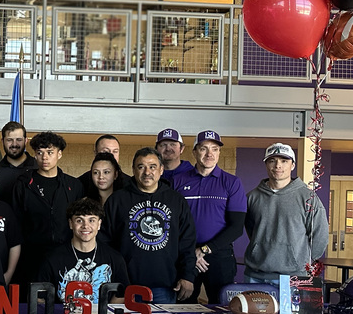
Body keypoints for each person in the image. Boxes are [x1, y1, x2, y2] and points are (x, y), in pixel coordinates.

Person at [103, 147, 196, 304]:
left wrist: (188, 275)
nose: (147, 172)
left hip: (165, 287)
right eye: (141, 167)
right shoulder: (117, 200)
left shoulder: (176, 200)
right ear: (133, 170)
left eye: (152, 167)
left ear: (161, 170)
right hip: (125, 287)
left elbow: (187, 241)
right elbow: (105, 242)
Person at [170, 130, 246, 303]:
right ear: (194, 152)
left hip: (219, 255)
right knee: (183, 307)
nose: (209, 154)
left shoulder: (232, 182)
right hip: (185, 255)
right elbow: (172, 223)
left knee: (222, 309)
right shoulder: (178, 181)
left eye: (214, 149)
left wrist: (203, 250)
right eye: (204, 148)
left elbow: (236, 227)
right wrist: (191, 253)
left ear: (219, 153)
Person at [244, 142, 329, 285]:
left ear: (293, 165)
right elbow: (251, 230)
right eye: (272, 161)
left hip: (294, 277)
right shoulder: (252, 197)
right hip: (255, 275)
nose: (278, 166)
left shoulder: (308, 198)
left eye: (284, 161)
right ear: (266, 164)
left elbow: (320, 236)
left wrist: (302, 262)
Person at [12, 131, 83, 286]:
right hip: (31, 255)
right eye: (40, 153)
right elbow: (15, 221)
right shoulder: (24, 184)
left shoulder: (73, 185)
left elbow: (79, 220)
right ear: (35, 155)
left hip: (65, 254)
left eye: (50, 152)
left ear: (59, 154)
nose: (44, 157)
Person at [38, 197, 130, 307]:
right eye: (79, 220)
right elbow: (39, 297)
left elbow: (122, 294)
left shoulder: (115, 258)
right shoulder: (52, 258)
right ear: (71, 223)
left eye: (91, 220)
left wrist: (104, 313)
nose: (85, 226)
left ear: (99, 224)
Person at [0, 121, 36, 203]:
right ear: (2, 141)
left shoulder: (38, 167)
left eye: (19, 140)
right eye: (9, 140)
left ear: (26, 140)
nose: (14, 144)